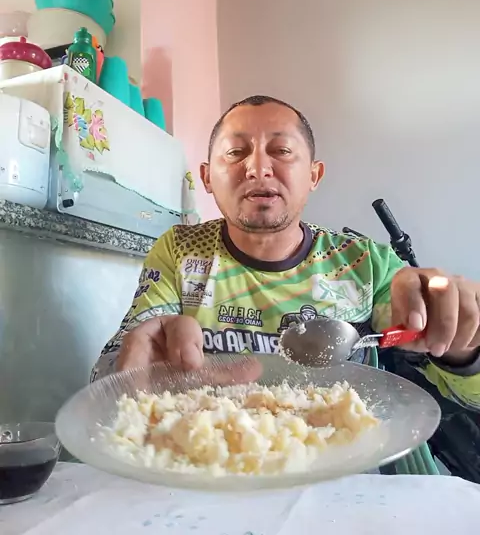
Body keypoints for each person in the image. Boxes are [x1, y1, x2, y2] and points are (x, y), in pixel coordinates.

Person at [92, 96, 480, 418]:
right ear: (207, 177)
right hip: (210, 460)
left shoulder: (367, 264)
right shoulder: (179, 250)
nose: (258, 168)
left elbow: (467, 397)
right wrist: (134, 371)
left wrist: (464, 348)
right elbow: (107, 380)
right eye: (236, 152)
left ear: (314, 175)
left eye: (281, 151)